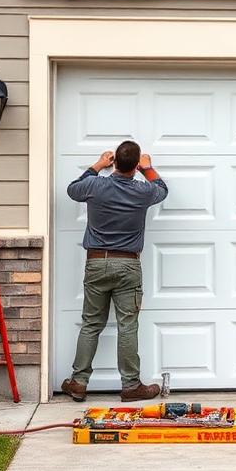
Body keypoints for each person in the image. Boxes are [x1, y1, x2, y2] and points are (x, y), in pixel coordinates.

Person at [60, 140, 168, 402]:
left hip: (97, 263)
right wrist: (148, 167)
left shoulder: (96, 185)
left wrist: (97, 165)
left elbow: (72, 189)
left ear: (115, 163)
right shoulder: (143, 191)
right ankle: (131, 386)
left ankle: (78, 382)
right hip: (128, 264)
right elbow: (162, 189)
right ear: (134, 167)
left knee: (91, 324)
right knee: (127, 326)